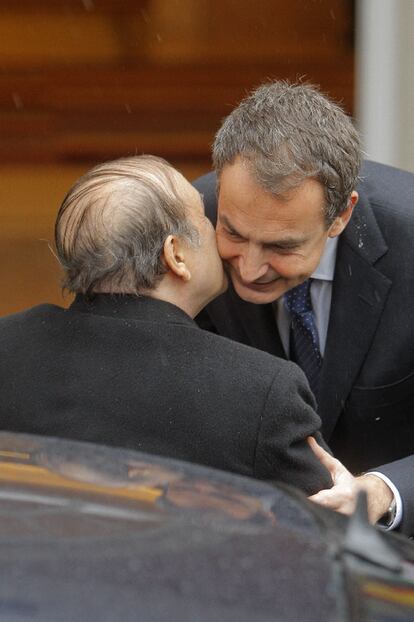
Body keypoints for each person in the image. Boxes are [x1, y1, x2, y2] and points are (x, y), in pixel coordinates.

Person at [0, 154, 332, 495]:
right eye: (205, 219)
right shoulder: (263, 392)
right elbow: (328, 523)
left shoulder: (7, 349)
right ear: (175, 255)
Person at [193, 80, 414, 535]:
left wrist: (382, 492)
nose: (250, 269)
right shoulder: (189, 218)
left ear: (341, 215)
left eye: (281, 246)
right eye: (233, 233)